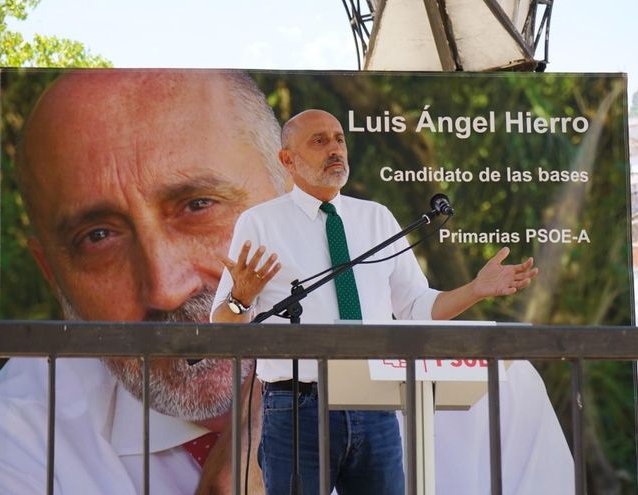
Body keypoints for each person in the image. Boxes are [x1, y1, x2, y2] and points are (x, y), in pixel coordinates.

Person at [210, 109, 549, 494]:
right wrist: (240, 298)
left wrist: (476, 289)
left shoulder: (376, 218)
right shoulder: (261, 223)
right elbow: (221, 324)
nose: (335, 149)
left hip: (374, 404)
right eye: (319, 141)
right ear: (287, 159)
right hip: (298, 407)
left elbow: (417, 307)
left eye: (339, 138)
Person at [0, 69, 288, 494]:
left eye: (198, 205)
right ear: (53, 276)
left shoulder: (406, 376)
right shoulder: (20, 425)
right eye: (98, 237)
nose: (166, 289)